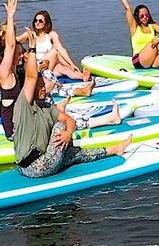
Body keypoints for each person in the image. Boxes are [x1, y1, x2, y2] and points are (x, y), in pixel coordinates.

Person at [13, 24, 130, 179]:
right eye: (40, 86)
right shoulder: (24, 104)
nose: (43, 89)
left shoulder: (47, 108)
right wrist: (32, 47)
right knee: (59, 126)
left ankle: (113, 150)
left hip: (37, 164)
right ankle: (111, 149)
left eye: (44, 86)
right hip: (35, 166)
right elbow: (31, 77)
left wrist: (69, 133)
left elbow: (70, 120)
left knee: (72, 153)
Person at [0, 0, 93, 98]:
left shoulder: (18, 46)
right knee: (45, 85)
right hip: (9, 83)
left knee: (49, 83)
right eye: (9, 32)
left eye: (13, 31)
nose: (11, 35)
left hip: (23, 77)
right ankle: (75, 90)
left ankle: (79, 88)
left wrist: (42, 64)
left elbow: (28, 57)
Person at [18, 10, 90, 82]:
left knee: (64, 69)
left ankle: (82, 76)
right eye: (35, 20)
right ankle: (44, 80)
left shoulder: (51, 34)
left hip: (49, 65)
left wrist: (71, 63)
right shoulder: (30, 34)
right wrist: (24, 52)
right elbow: (14, 42)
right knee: (54, 52)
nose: (37, 23)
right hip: (37, 66)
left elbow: (61, 49)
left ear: (46, 22)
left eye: (40, 21)